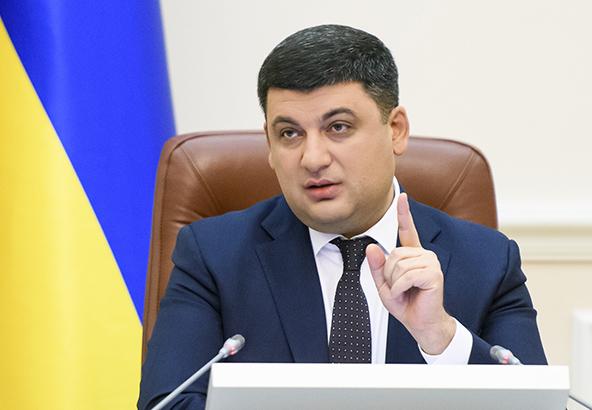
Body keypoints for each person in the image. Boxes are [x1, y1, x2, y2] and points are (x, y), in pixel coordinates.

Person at [138, 24, 546, 409]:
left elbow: (534, 405)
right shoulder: (214, 257)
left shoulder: (488, 262)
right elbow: (168, 403)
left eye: (338, 127)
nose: (312, 158)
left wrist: (440, 337)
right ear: (269, 144)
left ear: (396, 129)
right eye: (289, 133)